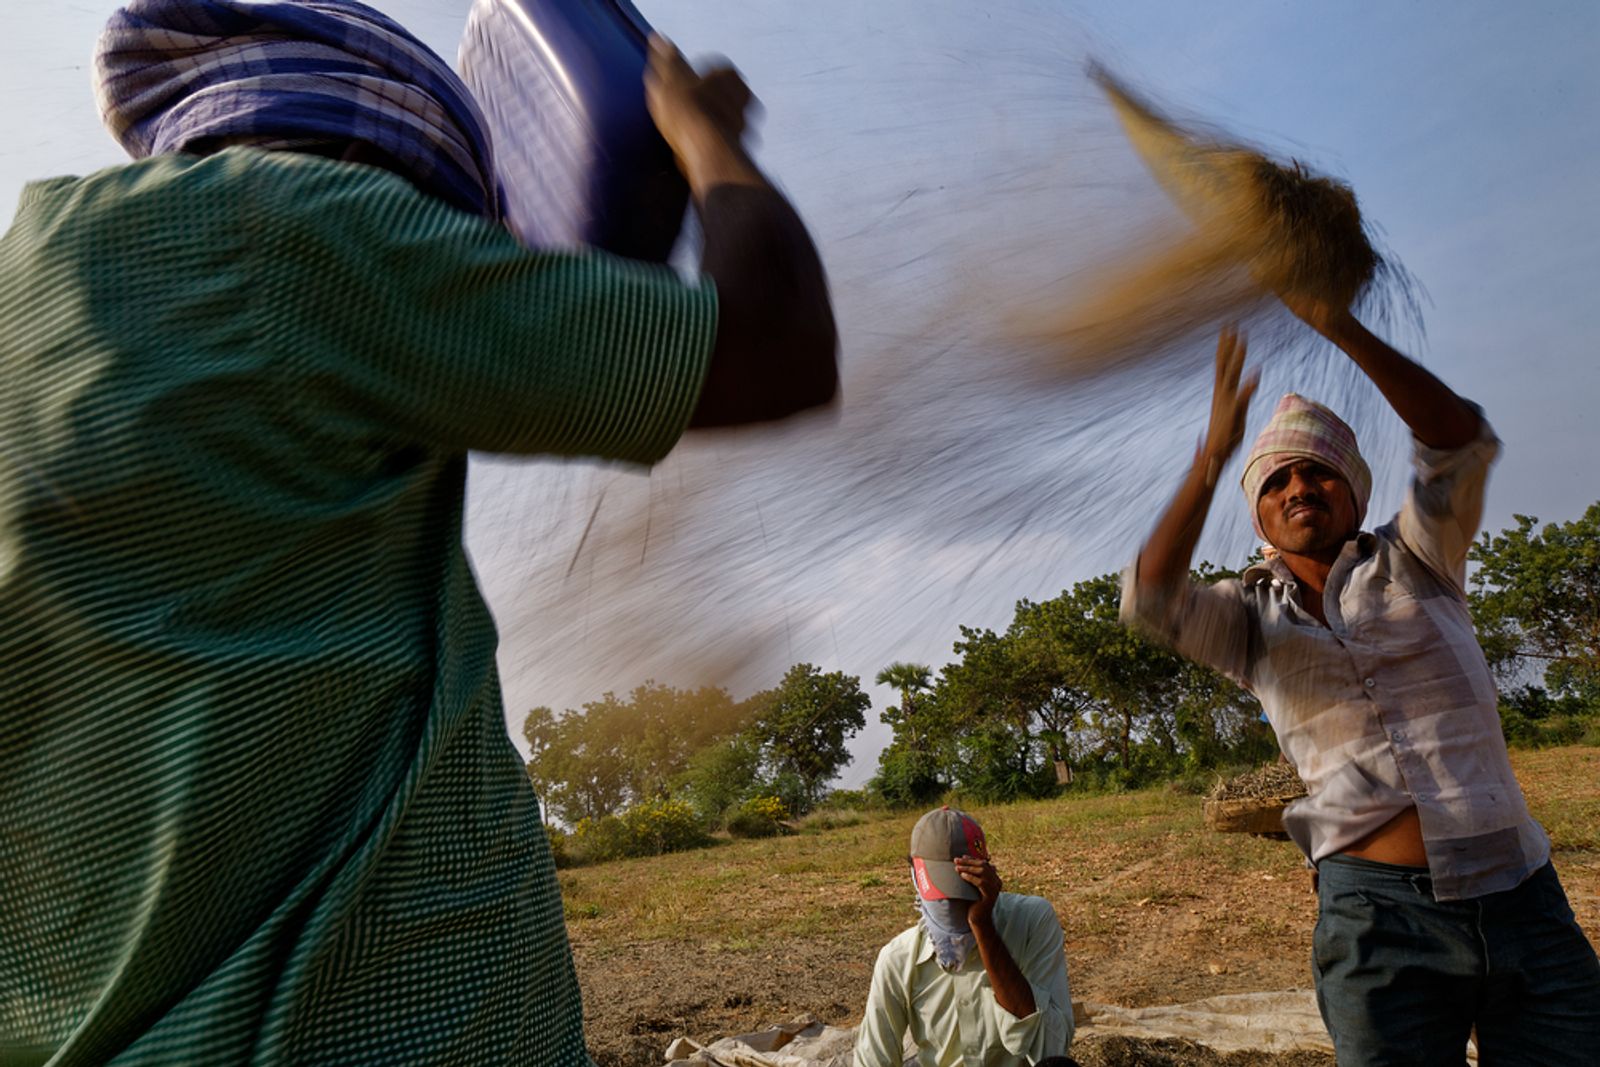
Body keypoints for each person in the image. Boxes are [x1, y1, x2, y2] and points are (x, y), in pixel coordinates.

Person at [0, 1, 835, 1064]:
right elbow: (777, 338)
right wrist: (696, 132)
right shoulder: (295, 233)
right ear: (369, 172)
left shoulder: (32, 297)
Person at [1121, 310, 1600, 1064]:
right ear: (1259, 513)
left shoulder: (1420, 555)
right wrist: (1212, 457)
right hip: (1376, 919)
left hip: (1522, 896)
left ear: (1353, 490)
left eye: (1318, 470)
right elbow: (1152, 596)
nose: (1298, 486)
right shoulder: (1246, 617)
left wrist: (1336, 323)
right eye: (1276, 479)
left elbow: (1460, 440)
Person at [854, 807, 1074, 1067]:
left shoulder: (1031, 921)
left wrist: (982, 925)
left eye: (963, 895)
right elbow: (873, 1060)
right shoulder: (898, 959)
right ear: (914, 875)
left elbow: (1051, 1046)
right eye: (944, 898)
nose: (953, 906)